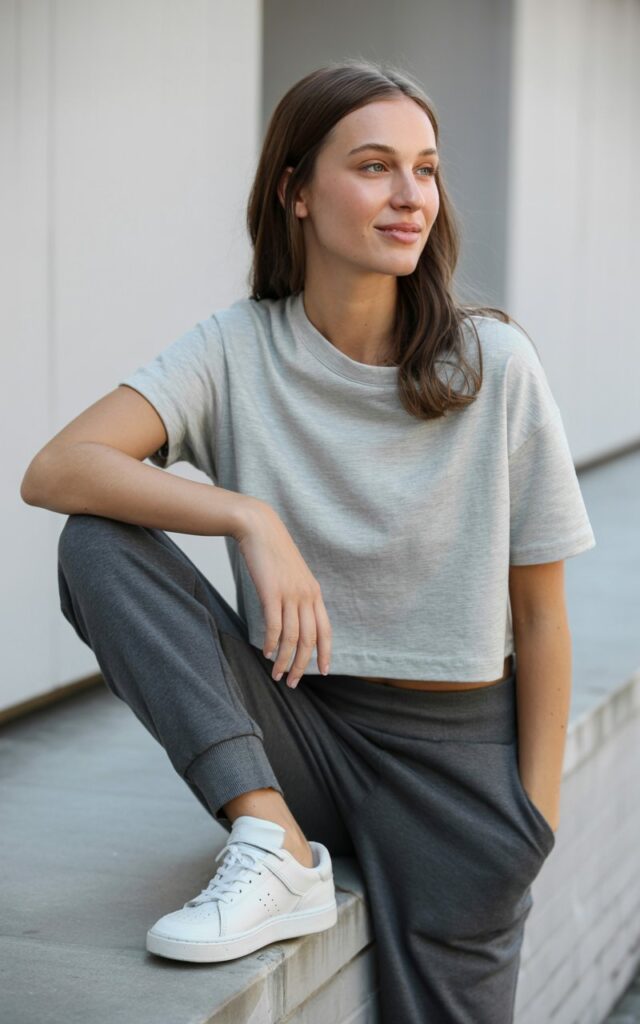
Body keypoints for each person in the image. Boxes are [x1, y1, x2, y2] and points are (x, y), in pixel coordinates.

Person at [21, 59, 596, 1023]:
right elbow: (58, 468)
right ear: (295, 190)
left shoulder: (494, 364)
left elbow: (540, 618)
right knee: (98, 543)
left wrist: (531, 821)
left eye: (427, 168)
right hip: (302, 734)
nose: (410, 196)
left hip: (455, 767)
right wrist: (249, 514)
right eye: (375, 166)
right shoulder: (236, 346)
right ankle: (272, 842)